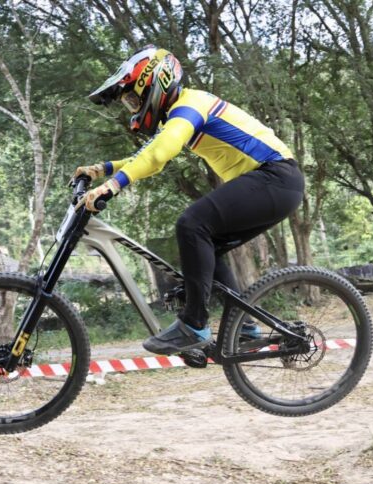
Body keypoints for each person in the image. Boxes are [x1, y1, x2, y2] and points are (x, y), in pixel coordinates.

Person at [74, 45, 304, 355]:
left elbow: (158, 154)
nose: (131, 109)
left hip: (276, 177)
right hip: (275, 184)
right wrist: (103, 169)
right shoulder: (182, 113)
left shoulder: (191, 104)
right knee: (207, 247)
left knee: (192, 224)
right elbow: (151, 155)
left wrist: (112, 186)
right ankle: (244, 326)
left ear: (155, 83)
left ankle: (194, 325)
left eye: (132, 100)